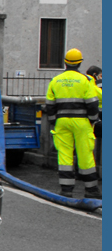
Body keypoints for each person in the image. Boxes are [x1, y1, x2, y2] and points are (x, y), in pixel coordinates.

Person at [46, 49, 101, 197]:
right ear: (80, 63)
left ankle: (66, 190)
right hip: (82, 122)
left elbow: (49, 105)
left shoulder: (56, 80)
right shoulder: (85, 80)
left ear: (65, 62)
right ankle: (91, 190)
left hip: (62, 122)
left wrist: (53, 122)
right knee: (85, 155)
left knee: (64, 156)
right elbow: (93, 104)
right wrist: (92, 120)